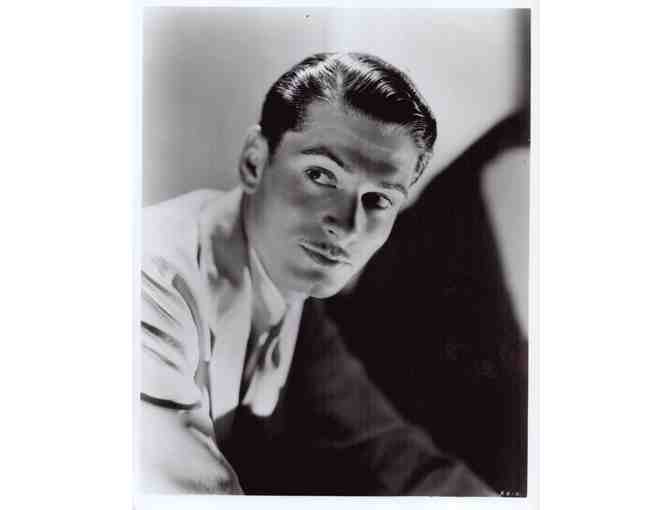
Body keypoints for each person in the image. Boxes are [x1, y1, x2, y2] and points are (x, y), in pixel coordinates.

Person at [139, 52, 495, 495]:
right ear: (254, 162)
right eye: (321, 175)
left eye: (379, 200)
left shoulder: (295, 299)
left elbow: (392, 452)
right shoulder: (151, 281)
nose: (347, 225)